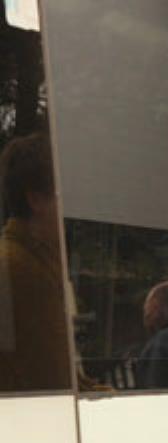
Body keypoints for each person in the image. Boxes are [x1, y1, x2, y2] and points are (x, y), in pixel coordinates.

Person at [0, 132, 73, 392]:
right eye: (62, 193)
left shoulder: (34, 260)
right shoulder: (20, 270)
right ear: (36, 200)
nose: (71, 206)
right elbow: (57, 382)